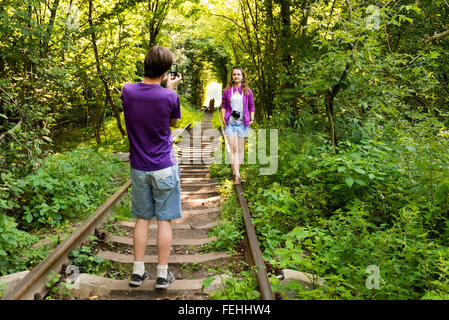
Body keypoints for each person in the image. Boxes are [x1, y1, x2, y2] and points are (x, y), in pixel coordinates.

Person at [120, 45, 183, 290]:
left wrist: (161, 84)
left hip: (139, 168)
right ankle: (162, 275)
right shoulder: (170, 96)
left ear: (145, 63)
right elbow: (171, 122)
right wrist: (169, 88)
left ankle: (137, 272)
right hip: (164, 167)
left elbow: (140, 102)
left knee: (142, 219)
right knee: (164, 220)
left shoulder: (127, 90)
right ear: (167, 70)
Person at [221, 66, 255, 184]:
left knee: (240, 150)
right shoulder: (227, 91)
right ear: (232, 77)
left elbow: (251, 106)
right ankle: (237, 175)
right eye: (234, 74)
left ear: (242, 77)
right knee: (233, 149)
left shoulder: (247, 91)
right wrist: (224, 118)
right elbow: (224, 106)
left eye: (238, 74)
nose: (236, 76)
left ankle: (237, 171)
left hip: (243, 123)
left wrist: (252, 119)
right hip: (231, 123)